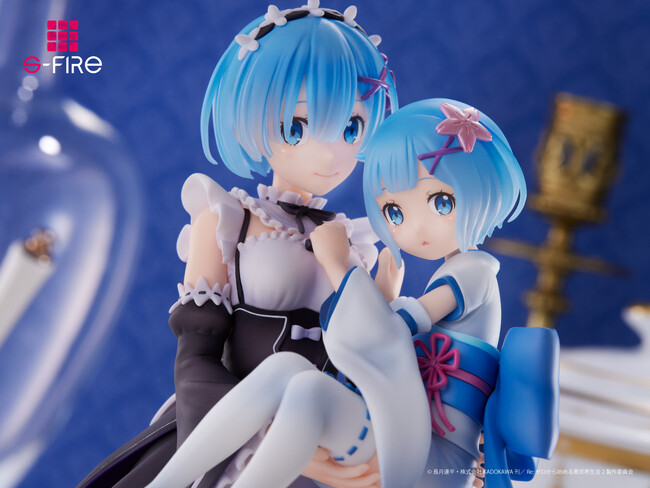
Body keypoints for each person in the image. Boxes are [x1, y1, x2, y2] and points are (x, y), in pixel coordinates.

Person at [143, 99, 559, 488]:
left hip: (438, 458)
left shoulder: (475, 271)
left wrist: (340, 267)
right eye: (395, 212)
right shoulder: (232, 218)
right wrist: (375, 293)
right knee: (289, 371)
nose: (415, 229)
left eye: (441, 202)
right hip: (406, 430)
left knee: (308, 391)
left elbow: (387, 333)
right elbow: (380, 340)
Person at [77, 2, 397, 487]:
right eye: (299, 126)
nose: (330, 152)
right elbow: (196, 361)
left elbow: (366, 369)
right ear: (258, 118)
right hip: (228, 437)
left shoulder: (355, 243)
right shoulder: (229, 219)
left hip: (330, 444)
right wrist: (279, 443)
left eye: (350, 127)